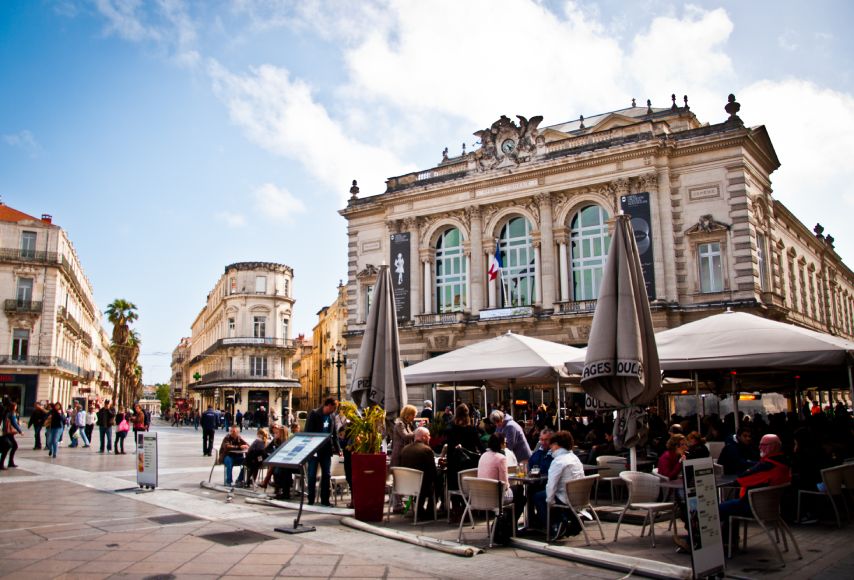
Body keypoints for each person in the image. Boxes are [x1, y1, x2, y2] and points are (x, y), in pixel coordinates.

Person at [719, 434, 791, 548]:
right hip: (772, 507)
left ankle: (704, 543)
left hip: (754, 507)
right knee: (731, 505)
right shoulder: (784, 463)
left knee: (717, 510)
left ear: (771, 447)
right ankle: (729, 540)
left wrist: (749, 471)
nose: (760, 448)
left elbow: (743, 479)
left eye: (763, 445)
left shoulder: (768, 466)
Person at [534, 430, 585, 538]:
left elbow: (551, 485)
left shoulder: (558, 461)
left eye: (551, 445)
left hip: (566, 498)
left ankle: (554, 528)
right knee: (547, 495)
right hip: (580, 498)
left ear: (556, 445)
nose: (551, 448)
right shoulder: (575, 458)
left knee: (538, 497)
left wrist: (550, 502)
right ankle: (563, 522)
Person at [441, 404, 484, 517]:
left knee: (454, 485)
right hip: (469, 463)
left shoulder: (450, 428)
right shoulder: (471, 429)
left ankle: (456, 509)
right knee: (468, 486)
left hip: (454, 462)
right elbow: (480, 446)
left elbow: (444, 443)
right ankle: (469, 509)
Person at [477, 433, 525, 525]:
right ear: (501, 444)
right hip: (497, 497)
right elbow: (505, 484)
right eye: (504, 442)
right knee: (520, 492)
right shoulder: (501, 458)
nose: (506, 444)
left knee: (518, 493)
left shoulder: (483, 456)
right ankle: (510, 525)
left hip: (482, 495)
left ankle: (507, 524)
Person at [304, 398, 341, 506]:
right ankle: (311, 499)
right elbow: (308, 432)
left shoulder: (332, 417)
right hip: (314, 450)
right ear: (328, 405)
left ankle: (325, 500)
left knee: (327, 474)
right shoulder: (314, 414)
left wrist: (338, 449)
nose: (334, 411)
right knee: (312, 475)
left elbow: (334, 435)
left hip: (326, 450)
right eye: (333, 408)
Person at [399, 426, 438, 521]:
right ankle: (430, 512)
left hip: (404, 485)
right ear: (424, 437)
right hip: (420, 486)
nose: (430, 438)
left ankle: (420, 508)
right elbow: (433, 472)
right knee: (438, 482)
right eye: (428, 436)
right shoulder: (426, 450)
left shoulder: (405, 449)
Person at [390, 404, 417, 511]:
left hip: (404, 454)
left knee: (402, 478)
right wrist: (417, 432)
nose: (414, 417)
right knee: (398, 479)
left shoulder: (407, 424)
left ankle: (400, 502)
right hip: (399, 454)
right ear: (407, 415)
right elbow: (405, 436)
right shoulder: (400, 424)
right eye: (413, 415)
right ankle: (397, 504)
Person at [261, 424, 295, 499]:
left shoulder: (287, 441)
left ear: (282, 434)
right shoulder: (276, 440)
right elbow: (267, 449)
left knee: (278, 470)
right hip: (278, 462)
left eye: (277, 433)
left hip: (287, 463)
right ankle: (277, 488)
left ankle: (280, 489)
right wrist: (272, 452)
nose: (276, 434)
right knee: (275, 468)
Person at [0, 401, 23, 468]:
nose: (16, 407)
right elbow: (14, 423)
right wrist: (20, 431)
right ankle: (3, 464)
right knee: (8, 446)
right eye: (15, 406)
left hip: (7, 433)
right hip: (6, 433)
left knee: (12, 446)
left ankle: (9, 462)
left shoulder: (7, 413)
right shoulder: (9, 413)